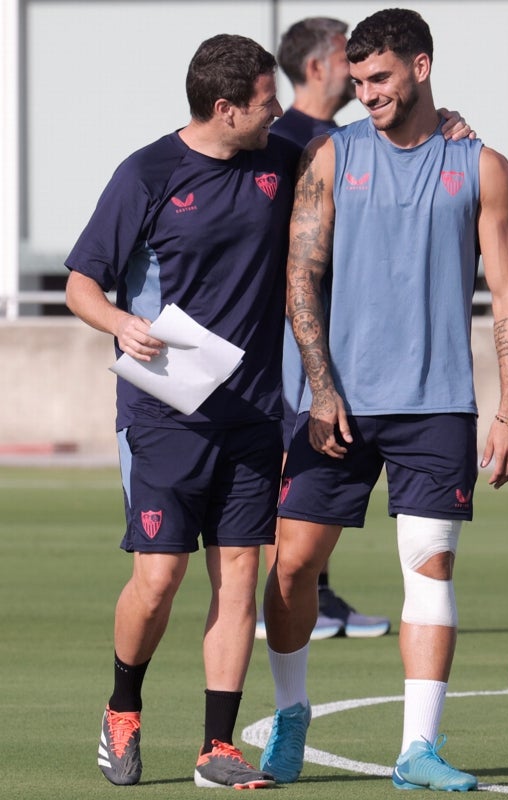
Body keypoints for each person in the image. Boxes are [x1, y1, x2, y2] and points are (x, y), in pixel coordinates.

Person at [258, 8, 508, 792]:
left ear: (421, 66)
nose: (366, 92)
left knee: (430, 569)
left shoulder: (483, 166)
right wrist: (320, 387)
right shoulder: (330, 156)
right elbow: (299, 278)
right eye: (358, 79)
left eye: (380, 78)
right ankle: (292, 714)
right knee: (294, 568)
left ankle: (419, 749)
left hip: (439, 404)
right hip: (335, 402)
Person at [65, 34, 301, 788]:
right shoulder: (147, 173)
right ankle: (122, 708)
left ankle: (217, 747)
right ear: (226, 108)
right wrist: (119, 324)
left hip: (255, 412)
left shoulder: (281, 159)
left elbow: (357, 145)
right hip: (164, 409)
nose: (280, 113)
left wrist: (447, 123)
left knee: (237, 575)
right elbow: (81, 285)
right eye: (267, 103)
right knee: (159, 577)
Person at [260, 16, 392, 640]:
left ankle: (316, 593)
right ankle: (283, 598)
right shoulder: (286, 141)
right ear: (317, 66)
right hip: (288, 341)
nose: (360, 67)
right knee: (295, 467)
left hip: (331, 335)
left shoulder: (337, 139)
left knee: (315, 472)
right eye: (349, 57)